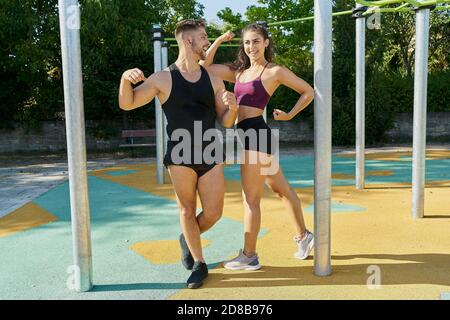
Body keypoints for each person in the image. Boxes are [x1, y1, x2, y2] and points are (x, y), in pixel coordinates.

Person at [119, 19, 238, 288]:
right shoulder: (162, 78)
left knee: (213, 213)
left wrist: (233, 107)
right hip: (180, 154)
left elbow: (226, 121)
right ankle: (199, 263)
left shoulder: (213, 78)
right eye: (204, 37)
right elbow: (128, 103)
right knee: (186, 210)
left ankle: (187, 237)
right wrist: (126, 79)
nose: (208, 41)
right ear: (188, 41)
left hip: (210, 152)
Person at [200, 23, 315, 270]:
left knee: (250, 199)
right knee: (282, 190)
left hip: (256, 136)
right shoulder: (239, 72)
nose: (251, 47)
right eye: (247, 42)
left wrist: (289, 115)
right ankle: (304, 236)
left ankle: (249, 255)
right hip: (253, 137)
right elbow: (205, 66)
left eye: (256, 41)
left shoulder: (274, 71)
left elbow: (307, 91)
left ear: (266, 43)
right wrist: (219, 39)